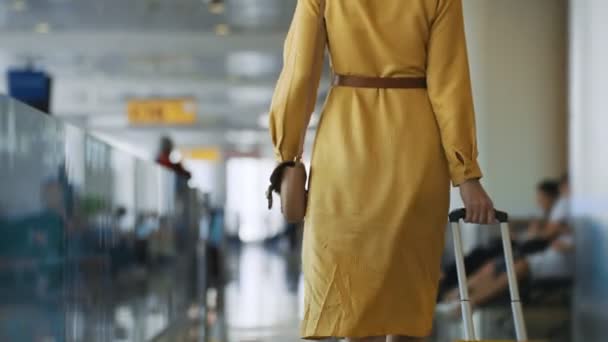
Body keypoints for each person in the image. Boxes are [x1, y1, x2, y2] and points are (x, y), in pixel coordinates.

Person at [268, 0, 494, 341]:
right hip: (415, 147)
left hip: (345, 144)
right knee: (405, 301)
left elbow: (300, 71)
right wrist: (466, 174)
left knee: (349, 296)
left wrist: (287, 153)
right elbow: (450, 83)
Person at [440, 174, 572, 310]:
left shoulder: (563, 207)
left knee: (495, 260)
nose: (538, 201)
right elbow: (551, 232)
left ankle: (461, 299)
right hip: (530, 247)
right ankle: (455, 296)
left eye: (541, 197)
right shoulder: (553, 212)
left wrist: (534, 233)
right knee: (489, 260)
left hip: (532, 248)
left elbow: (547, 235)